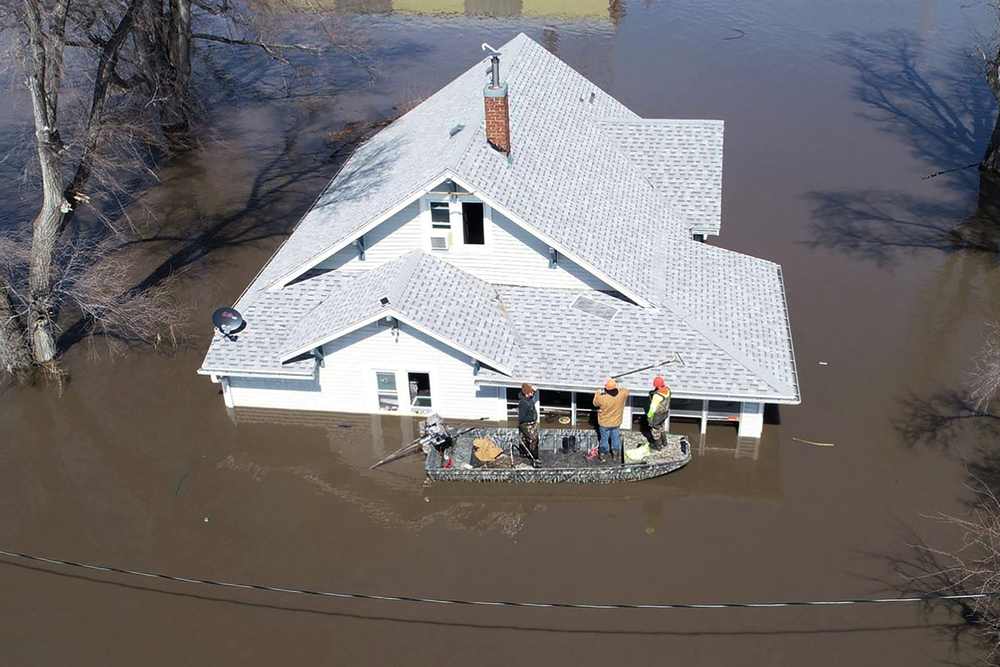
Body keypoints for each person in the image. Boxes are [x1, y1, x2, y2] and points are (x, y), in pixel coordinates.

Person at [589, 378, 630, 462]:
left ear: (606, 389)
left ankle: (603, 455)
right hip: (616, 423)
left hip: (604, 423)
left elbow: (595, 403)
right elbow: (626, 390)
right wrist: (616, 384)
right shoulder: (622, 394)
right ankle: (615, 455)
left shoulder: (602, 398)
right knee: (615, 438)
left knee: (604, 439)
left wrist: (597, 392)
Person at [517, 383, 540, 466]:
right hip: (526, 424)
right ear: (526, 393)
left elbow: (531, 390)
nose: (533, 394)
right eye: (531, 392)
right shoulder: (523, 403)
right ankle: (534, 457)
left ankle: (527, 454)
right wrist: (528, 422)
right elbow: (522, 417)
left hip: (532, 423)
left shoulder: (529, 399)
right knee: (533, 439)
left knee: (531, 439)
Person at [646, 376, 671, 450]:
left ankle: (658, 446)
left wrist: (649, 417)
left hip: (657, 415)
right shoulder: (668, 390)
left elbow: (652, 408)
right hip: (665, 413)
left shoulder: (657, 396)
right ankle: (665, 442)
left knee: (655, 430)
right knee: (661, 427)